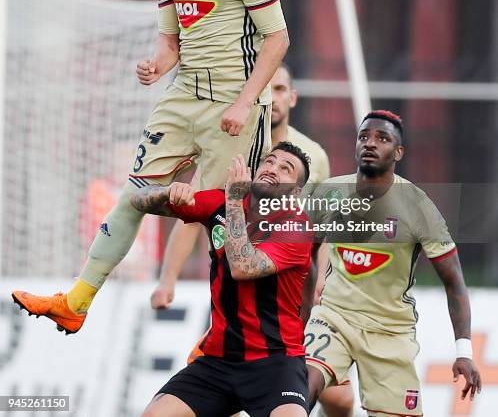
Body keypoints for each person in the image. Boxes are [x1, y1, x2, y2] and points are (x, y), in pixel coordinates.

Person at [12, 0, 289, 334]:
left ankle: (231, 333)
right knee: (132, 196)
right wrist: (156, 64)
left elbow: (278, 39)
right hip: (181, 97)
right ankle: (76, 302)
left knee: (225, 219)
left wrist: (245, 102)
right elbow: (171, 43)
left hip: (233, 102)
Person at [151, 62, 354, 416]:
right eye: (267, 89)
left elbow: (324, 227)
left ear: (292, 98)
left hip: (291, 285)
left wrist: (324, 279)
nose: (272, 99)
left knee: (339, 399)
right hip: (228, 336)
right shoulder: (234, 141)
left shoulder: (312, 159)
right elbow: (191, 212)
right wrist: (167, 277)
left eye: (280, 90)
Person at [306, 110, 482, 416]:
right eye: (364, 137)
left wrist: (463, 351)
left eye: (382, 138)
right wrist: (303, 313)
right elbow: (303, 256)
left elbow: (453, 280)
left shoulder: (418, 207)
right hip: (333, 317)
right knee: (297, 387)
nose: (371, 144)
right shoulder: (328, 193)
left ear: (398, 152)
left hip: (389, 330)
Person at [134, 142, 313, 417]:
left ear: (295, 192)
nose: (273, 169)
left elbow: (242, 267)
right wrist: (168, 191)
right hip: (219, 360)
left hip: (276, 362)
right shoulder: (220, 201)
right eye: (270, 162)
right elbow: (137, 199)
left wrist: (233, 199)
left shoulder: (296, 226)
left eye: (285, 169)